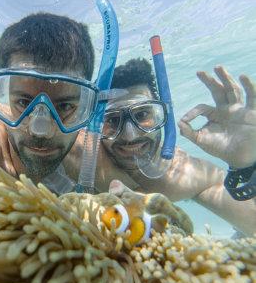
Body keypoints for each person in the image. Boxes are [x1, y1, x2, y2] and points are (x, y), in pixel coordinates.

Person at [63, 58, 256, 236]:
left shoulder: (182, 174)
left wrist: (245, 165)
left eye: (142, 115)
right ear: (96, 125)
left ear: (163, 116)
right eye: (113, 120)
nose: (130, 136)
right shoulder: (73, 148)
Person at [0, 12, 95, 192]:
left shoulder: (90, 157)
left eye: (64, 106)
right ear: (5, 95)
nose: (41, 132)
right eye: (23, 102)